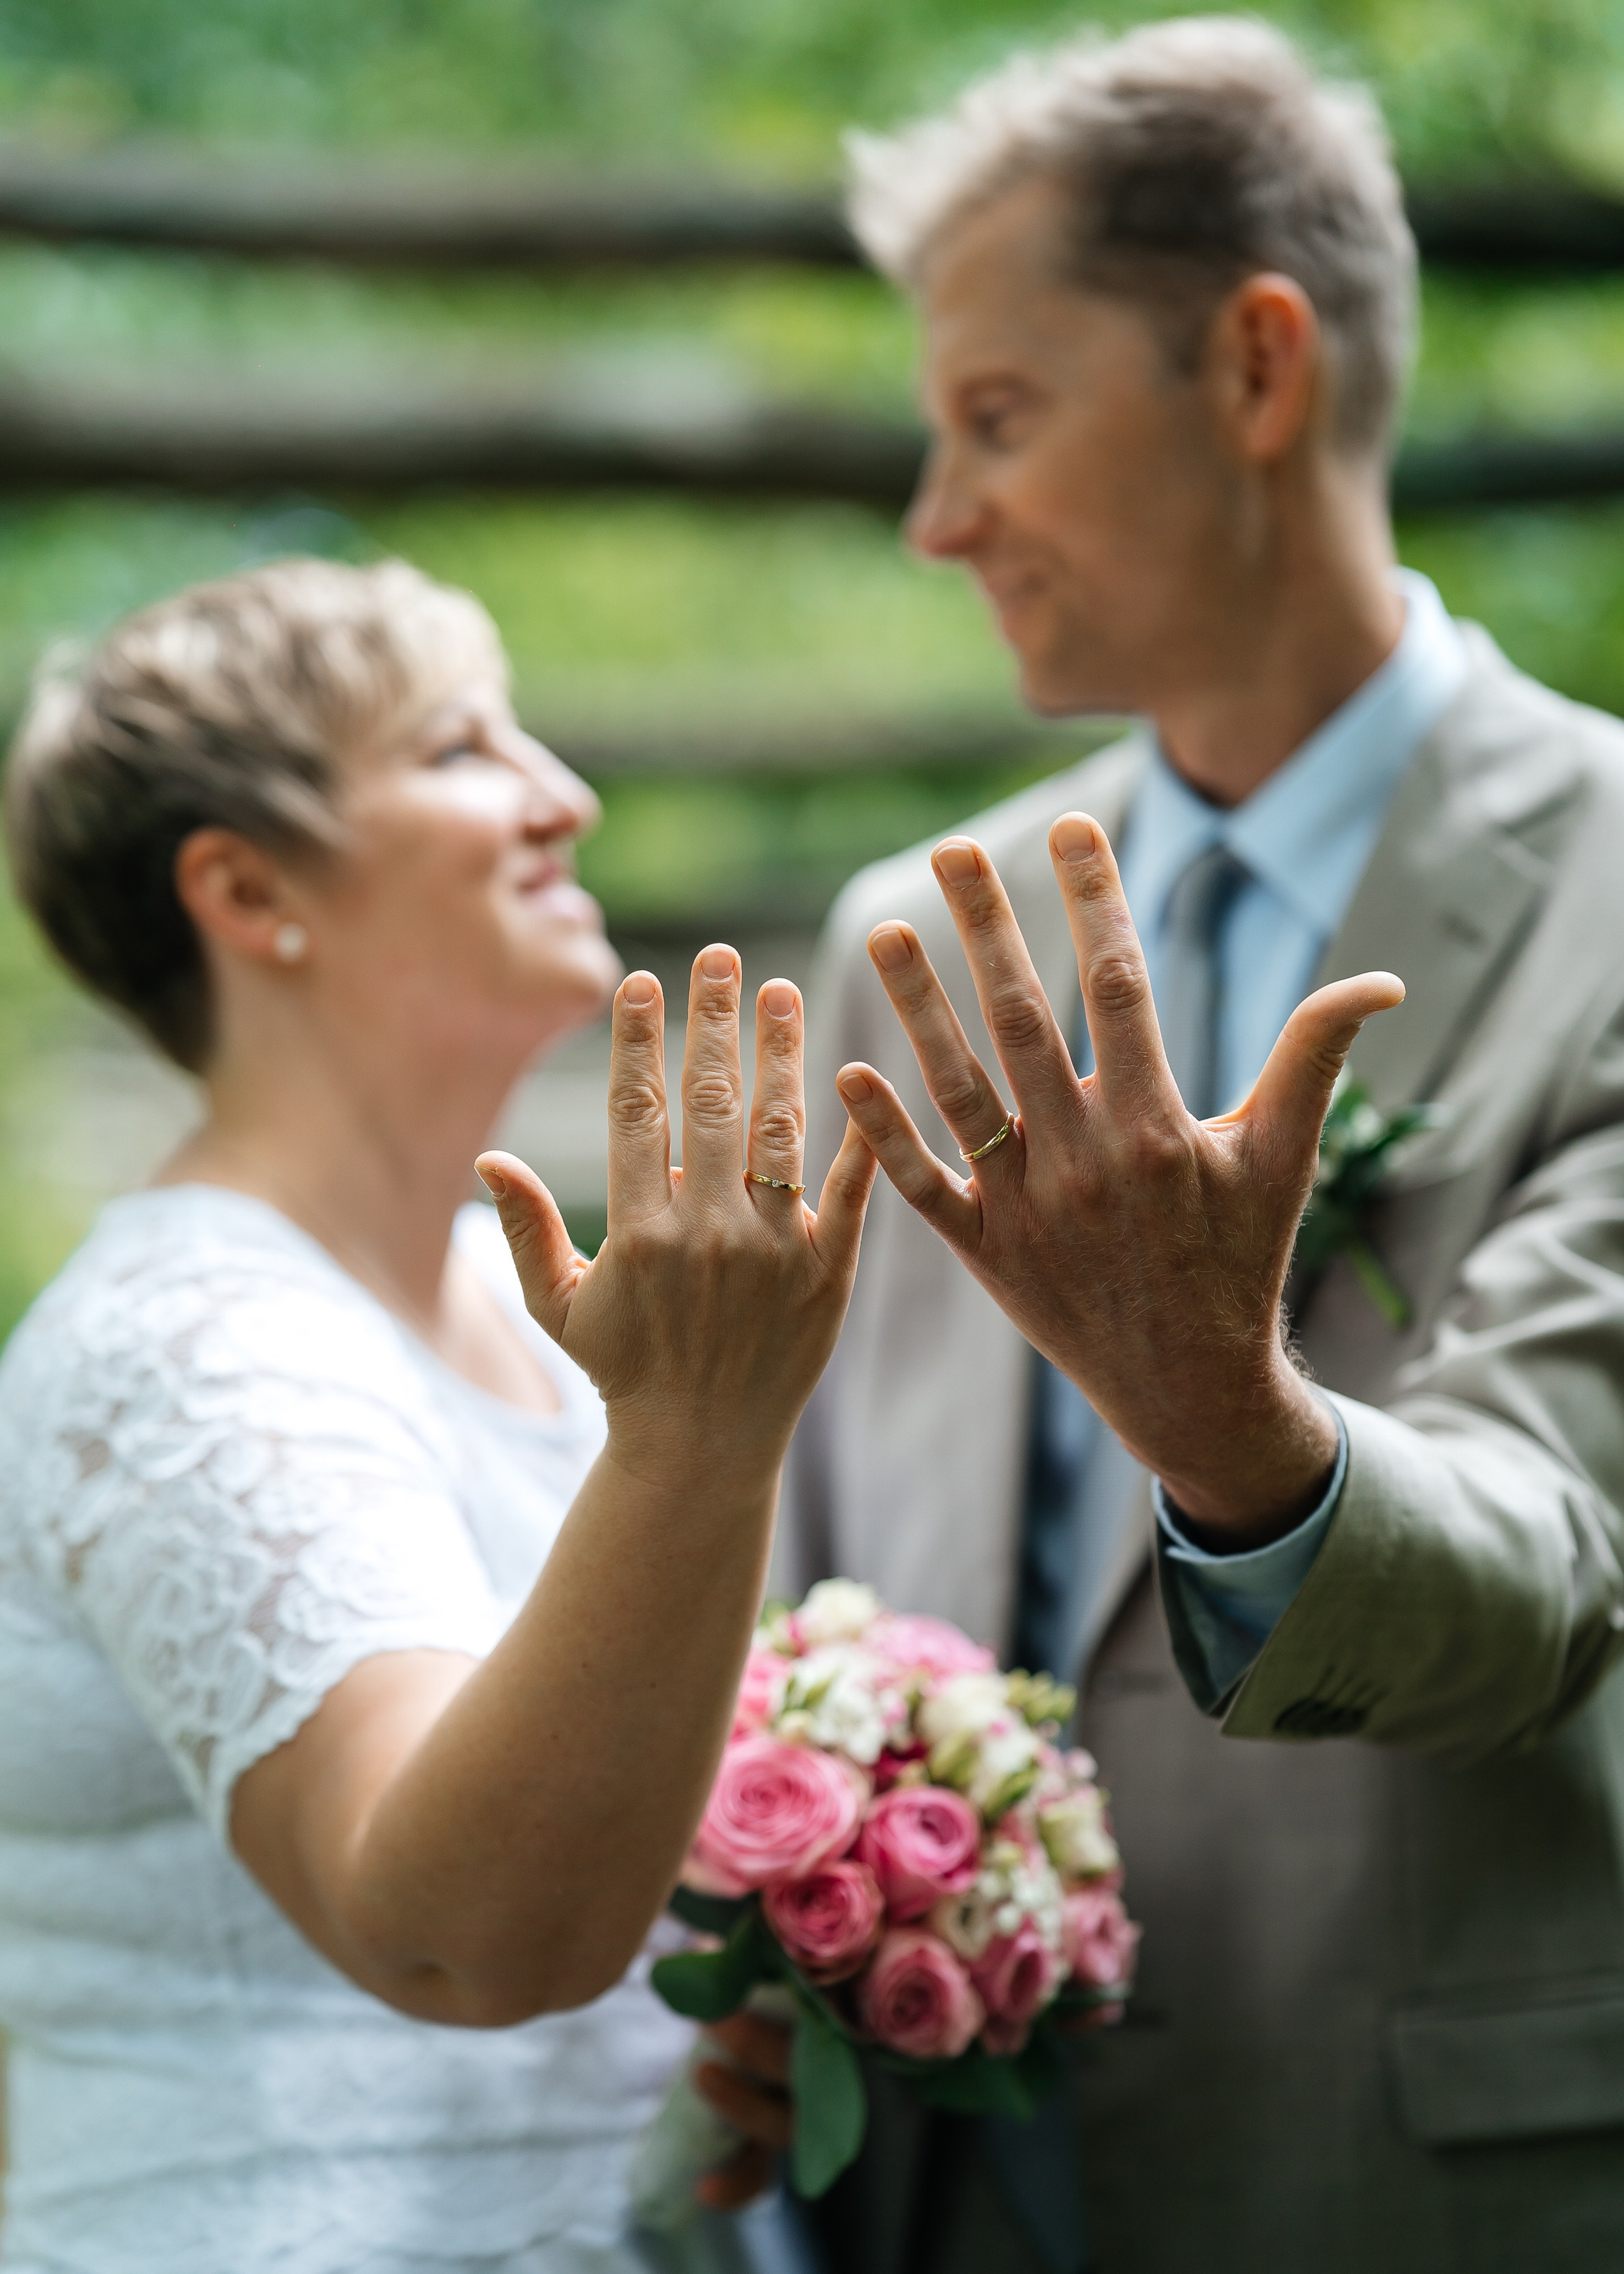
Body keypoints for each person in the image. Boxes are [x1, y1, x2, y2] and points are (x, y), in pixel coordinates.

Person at [776, 18, 1624, 2273]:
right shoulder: (909, 954)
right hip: (924, 2189)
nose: (937, 519)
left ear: (1256, 368)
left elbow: (1554, 1568)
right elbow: (808, 1576)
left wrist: (1228, 1427)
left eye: (1000, 417)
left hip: (1405, 2188)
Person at [0, 556, 877, 2274]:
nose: (566, 794)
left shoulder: (527, 1313)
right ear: (250, 890)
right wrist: (703, 1427)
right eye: (461, 748)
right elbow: (464, 1942)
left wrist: (706, 2029)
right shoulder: (184, 1344)